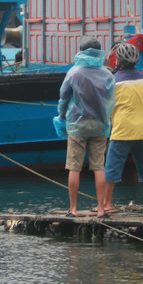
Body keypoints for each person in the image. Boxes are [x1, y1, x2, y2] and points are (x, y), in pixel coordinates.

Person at [56, 36, 115, 216]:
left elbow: (64, 97)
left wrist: (61, 115)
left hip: (77, 126)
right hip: (100, 126)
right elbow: (111, 101)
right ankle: (101, 209)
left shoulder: (74, 73)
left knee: (74, 167)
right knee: (99, 167)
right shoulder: (107, 74)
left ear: (81, 51)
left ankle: (73, 209)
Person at [102, 42, 143, 213]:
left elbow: (107, 105)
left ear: (118, 60)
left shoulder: (113, 81)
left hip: (122, 130)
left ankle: (107, 204)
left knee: (112, 167)